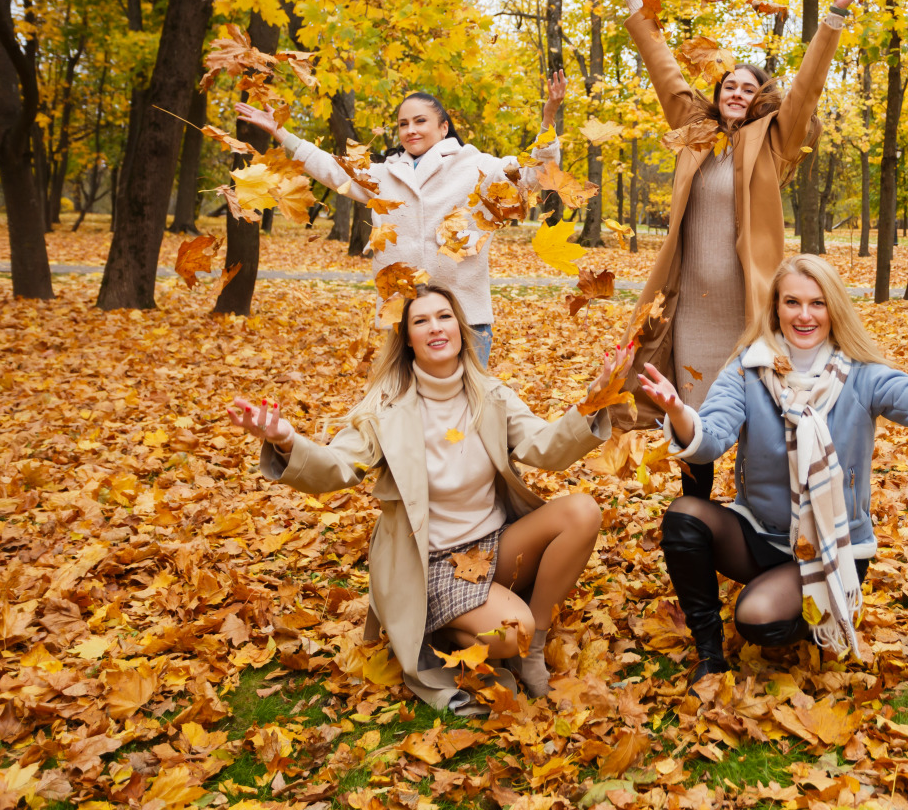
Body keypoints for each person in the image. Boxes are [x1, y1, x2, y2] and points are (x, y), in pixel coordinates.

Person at [227, 284, 624, 711]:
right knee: (512, 631)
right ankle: (446, 630)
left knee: (582, 510)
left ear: (460, 327)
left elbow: (546, 447)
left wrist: (592, 402)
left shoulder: (490, 396)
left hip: (494, 546)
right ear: (407, 338)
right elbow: (337, 466)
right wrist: (287, 441)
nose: (435, 328)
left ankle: (533, 649)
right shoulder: (385, 408)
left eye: (444, 317)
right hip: (431, 564)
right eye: (421, 321)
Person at [637, 254, 908, 681]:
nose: (805, 315)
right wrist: (679, 411)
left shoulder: (863, 375)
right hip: (762, 534)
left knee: (757, 619)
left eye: (817, 303)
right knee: (684, 517)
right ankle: (708, 651)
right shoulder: (749, 368)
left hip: (835, 546)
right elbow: (710, 440)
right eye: (792, 302)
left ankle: (820, 613)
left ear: (834, 308)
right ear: (775, 308)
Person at [616, 0, 871, 501]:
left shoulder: (774, 142)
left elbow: (806, 87)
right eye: (728, 84)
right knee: (689, 418)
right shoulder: (695, 133)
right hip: (691, 311)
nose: (735, 91)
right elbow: (663, 70)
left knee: (755, 416)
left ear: (759, 99)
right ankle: (695, 521)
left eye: (747, 87)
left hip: (748, 309)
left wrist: (836, 15)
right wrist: (636, 8)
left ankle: (758, 524)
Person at [235, 78, 568, 365]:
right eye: (403, 124)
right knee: (409, 416)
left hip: (466, 318)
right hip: (406, 320)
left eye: (420, 121)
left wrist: (549, 117)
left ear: (443, 127)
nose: (410, 130)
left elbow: (532, 175)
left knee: (469, 417)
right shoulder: (384, 175)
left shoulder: (475, 167)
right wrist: (283, 134)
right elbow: (332, 169)